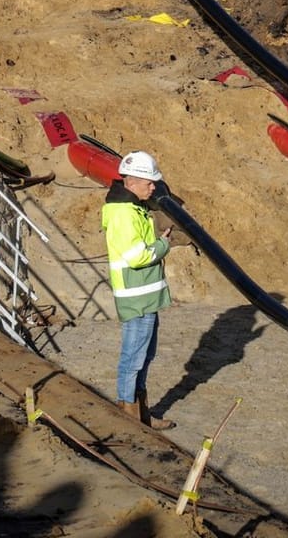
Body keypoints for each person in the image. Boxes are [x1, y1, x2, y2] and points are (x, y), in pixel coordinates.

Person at [102, 149, 177, 430]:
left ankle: (141, 414)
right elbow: (136, 256)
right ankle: (128, 418)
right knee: (133, 357)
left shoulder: (134, 208)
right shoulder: (124, 214)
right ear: (132, 182)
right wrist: (163, 245)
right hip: (136, 298)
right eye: (149, 183)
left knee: (145, 355)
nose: (153, 187)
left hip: (145, 295)